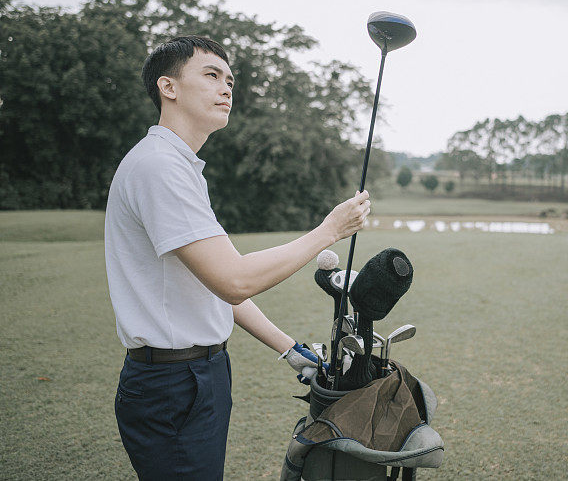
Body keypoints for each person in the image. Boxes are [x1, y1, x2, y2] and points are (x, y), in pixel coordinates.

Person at [104, 35, 370, 479]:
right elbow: (234, 280)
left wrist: (290, 350)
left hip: (199, 373)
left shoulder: (181, 166)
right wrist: (329, 230)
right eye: (211, 76)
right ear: (168, 88)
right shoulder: (159, 167)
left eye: (230, 79)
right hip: (172, 383)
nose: (227, 88)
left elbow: (214, 287)